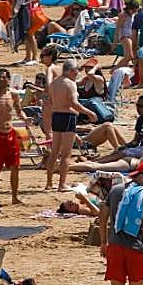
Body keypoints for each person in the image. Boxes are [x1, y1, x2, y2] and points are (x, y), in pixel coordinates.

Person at [46, 59, 97, 192]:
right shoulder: (70, 84)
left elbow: (51, 101)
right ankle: (62, 184)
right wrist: (89, 112)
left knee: (54, 152)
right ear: (69, 71)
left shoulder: (54, 83)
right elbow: (74, 104)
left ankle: (49, 183)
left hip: (56, 116)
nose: (77, 74)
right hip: (67, 117)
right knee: (66, 154)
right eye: (76, 71)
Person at [0, 68, 25, 204]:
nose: (2, 80)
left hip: (10, 133)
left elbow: (19, 111)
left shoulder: (13, 94)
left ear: (9, 79)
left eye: (5, 77)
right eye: (0, 77)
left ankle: (14, 196)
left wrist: (25, 119)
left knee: (15, 166)